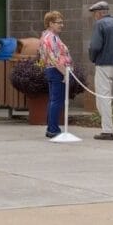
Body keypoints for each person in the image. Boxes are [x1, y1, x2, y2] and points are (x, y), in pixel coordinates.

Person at [88, 1, 113, 140]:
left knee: (104, 97)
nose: (94, 16)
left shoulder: (100, 24)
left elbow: (95, 46)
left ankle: (107, 130)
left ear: (99, 13)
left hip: (104, 64)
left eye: (94, 14)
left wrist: (93, 58)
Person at [40, 11, 72, 139]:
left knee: (54, 100)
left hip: (53, 70)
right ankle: (53, 128)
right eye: (59, 23)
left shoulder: (48, 36)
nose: (61, 25)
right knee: (57, 101)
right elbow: (54, 58)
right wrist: (65, 73)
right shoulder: (50, 37)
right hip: (56, 71)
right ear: (50, 23)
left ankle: (51, 128)